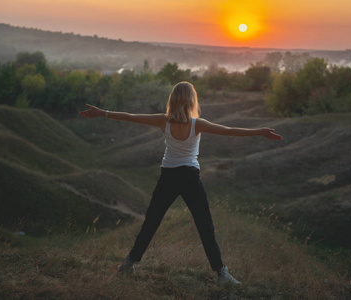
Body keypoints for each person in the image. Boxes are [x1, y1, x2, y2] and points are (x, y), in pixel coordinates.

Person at [80, 81, 283, 286]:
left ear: (172, 99)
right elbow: (229, 130)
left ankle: (128, 264)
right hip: (190, 178)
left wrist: (102, 112)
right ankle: (221, 274)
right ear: (191, 100)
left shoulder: (162, 120)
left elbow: (131, 117)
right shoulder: (197, 123)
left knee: (151, 222)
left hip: (168, 176)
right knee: (205, 226)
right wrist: (260, 131)